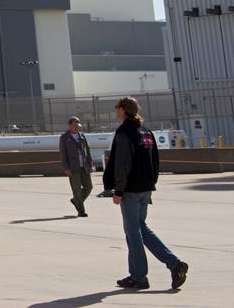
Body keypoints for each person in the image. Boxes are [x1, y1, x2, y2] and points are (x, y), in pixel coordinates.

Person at [107, 96, 188, 291]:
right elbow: (156, 160)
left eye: (117, 107)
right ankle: (174, 264)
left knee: (133, 233)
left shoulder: (125, 132)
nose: (115, 111)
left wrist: (118, 189)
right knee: (141, 228)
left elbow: (122, 163)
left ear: (123, 110)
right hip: (146, 187)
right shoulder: (146, 132)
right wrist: (151, 183)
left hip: (131, 189)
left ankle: (139, 277)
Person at [60, 116, 93, 217]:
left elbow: (87, 151)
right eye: (75, 126)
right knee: (77, 189)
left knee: (89, 187)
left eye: (78, 126)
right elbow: (63, 154)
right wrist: (66, 168)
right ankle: (81, 211)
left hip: (84, 166)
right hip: (73, 168)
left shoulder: (82, 136)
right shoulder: (64, 138)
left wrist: (90, 164)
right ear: (70, 126)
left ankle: (76, 201)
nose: (77, 128)